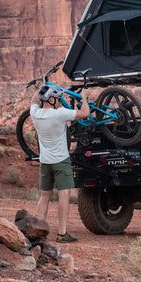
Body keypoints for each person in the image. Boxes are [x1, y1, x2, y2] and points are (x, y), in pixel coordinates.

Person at [31, 84, 89, 242]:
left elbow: (33, 101)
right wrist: (84, 97)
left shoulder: (35, 114)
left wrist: (43, 87)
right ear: (50, 98)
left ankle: (38, 231)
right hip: (61, 161)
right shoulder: (60, 114)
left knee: (44, 197)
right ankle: (62, 233)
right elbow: (85, 113)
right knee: (64, 196)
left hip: (45, 161)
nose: (58, 100)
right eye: (56, 98)